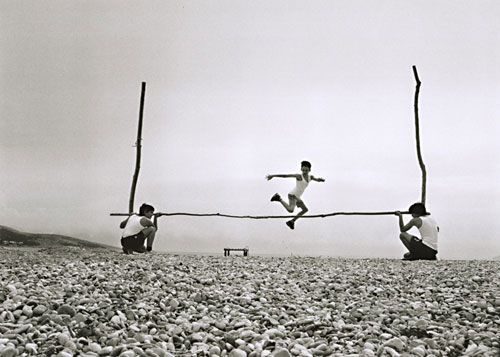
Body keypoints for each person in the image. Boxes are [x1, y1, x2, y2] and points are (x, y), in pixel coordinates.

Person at [267, 161, 325, 230]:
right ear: (301, 169)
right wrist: (273, 176)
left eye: (306, 170)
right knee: (291, 210)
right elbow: (285, 176)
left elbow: (317, 179)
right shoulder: (299, 176)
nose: (304, 172)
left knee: (305, 210)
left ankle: (292, 221)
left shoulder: (310, 177)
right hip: (292, 195)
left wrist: (320, 180)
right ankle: (278, 198)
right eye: (303, 170)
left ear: (309, 170)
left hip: (297, 196)